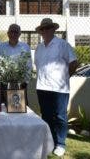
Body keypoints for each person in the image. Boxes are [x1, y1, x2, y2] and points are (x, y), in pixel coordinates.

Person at [35, 18, 78, 157]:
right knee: (46, 116)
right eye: (43, 29)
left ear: (54, 29)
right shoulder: (39, 48)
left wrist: (65, 78)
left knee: (60, 116)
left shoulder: (62, 44)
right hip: (42, 87)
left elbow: (74, 63)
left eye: (48, 28)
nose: (45, 31)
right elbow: (39, 66)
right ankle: (50, 141)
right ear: (41, 32)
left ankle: (60, 144)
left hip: (59, 89)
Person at [0, 23, 32, 104]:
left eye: (16, 32)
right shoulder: (0, 47)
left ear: (20, 34)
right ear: (8, 33)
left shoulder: (25, 47)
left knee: (20, 106)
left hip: (20, 82)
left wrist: (25, 82)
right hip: (5, 83)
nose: (13, 34)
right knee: (5, 105)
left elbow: (29, 64)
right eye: (11, 32)